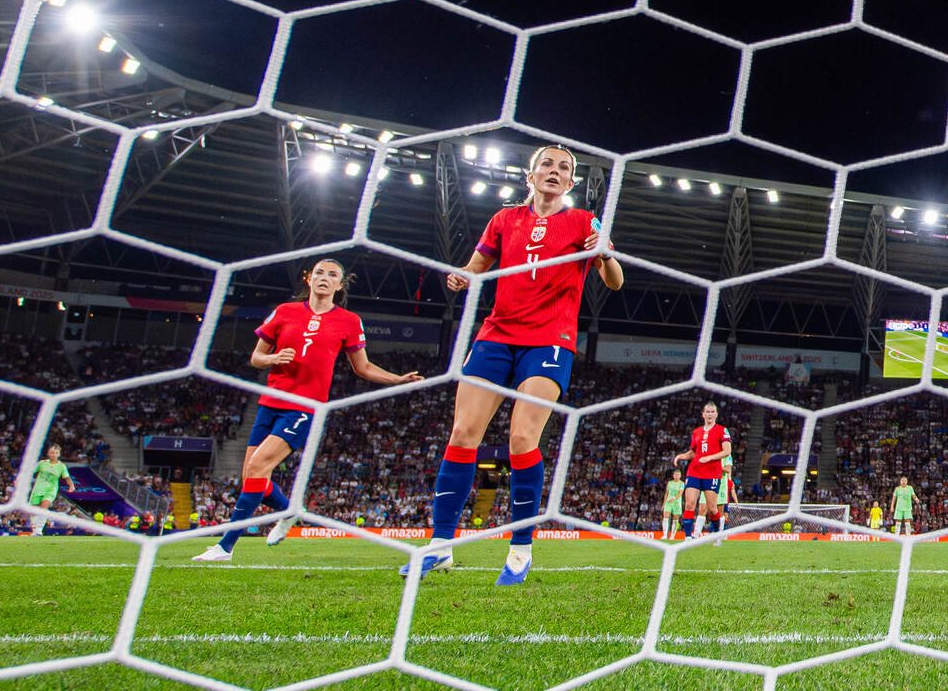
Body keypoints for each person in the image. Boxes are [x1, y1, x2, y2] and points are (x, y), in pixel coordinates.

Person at [405, 145, 623, 584]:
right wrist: (463, 276)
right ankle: (440, 545)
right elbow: (475, 266)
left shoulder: (584, 222)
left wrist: (604, 254)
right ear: (530, 174)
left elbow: (614, 282)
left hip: (550, 340)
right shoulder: (505, 220)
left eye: (565, 168)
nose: (555, 171)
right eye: (548, 164)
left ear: (571, 182)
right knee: (464, 433)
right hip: (497, 335)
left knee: (522, 438)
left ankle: (520, 549)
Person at [195, 258, 420, 562]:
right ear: (309, 279)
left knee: (259, 467)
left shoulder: (349, 321)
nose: (325, 278)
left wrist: (397, 379)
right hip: (269, 402)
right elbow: (256, 358)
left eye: (332, 275)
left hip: (304, 407)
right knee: (252, 474)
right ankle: (289, 511)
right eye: (320, 273)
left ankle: (225, 545)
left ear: (340, 285)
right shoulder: (285, 311)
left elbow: (362, 367)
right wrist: (273, 359)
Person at [672, 403, 730, 538]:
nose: (709, 414)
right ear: (703, 414)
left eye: (712, 412)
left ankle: (716, 535)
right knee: (690, 504)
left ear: (716, 414)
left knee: (712, 509)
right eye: (707, 412)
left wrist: (709, 458)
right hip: (694, 471)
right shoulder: (696, 432)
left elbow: (727, 451)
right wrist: (682, 456)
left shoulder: (722, 430)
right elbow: (693, 453)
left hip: (712, 473)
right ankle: (687, 537)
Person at [26, 444, 74, 534]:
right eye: (52, 452)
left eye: (56, 453)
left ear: (59, 454)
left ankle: (39, 530)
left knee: (44, 507)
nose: (54, 454)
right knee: (33, 510)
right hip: (38, 489)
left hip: (50, 490)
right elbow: (29, 472)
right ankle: (35, 529)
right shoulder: (42, 463)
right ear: (48, 453)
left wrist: (71, 485)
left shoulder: (61, 466)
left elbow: (66, 477)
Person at [661, 468, 685, 541]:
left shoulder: (682, 483)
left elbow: (680, 493)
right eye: (676, 474)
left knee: (675, 519)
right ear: (673, 475)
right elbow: (666, 494)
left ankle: (672, 536)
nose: (677, 476)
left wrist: (674, 498)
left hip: (677, 503)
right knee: (666, 517)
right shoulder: (670, 483)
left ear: (680, 476)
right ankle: (665, 535)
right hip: (668, 502)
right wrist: (663, 503)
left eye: (678, 475)